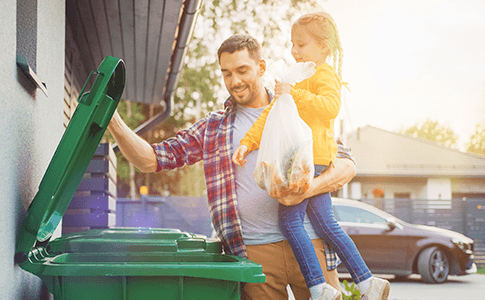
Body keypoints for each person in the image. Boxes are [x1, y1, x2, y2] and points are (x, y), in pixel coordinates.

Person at [107, 33, 356, 300]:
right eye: (226, 73)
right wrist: (114, 121)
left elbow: (346, 166)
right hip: (255, 253)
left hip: (310, 241)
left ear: (261, 67)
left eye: (242, 70)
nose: (234, 81)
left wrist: (306, 189)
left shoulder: (299, 105)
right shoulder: (214, 127)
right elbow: (152, 159)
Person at [232, 12, 390, 300]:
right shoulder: (298, 74)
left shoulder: (324, 74)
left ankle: (318, 287)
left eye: (301, 45)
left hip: (309, 160)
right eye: (292, 44)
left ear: (324, 47)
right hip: (307, 158)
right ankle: (368, 282)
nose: (294, 50)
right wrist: (247, 142)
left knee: (290, 223)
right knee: (327, 224)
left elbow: (330, 107)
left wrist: (293, 94)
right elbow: (271, 113)